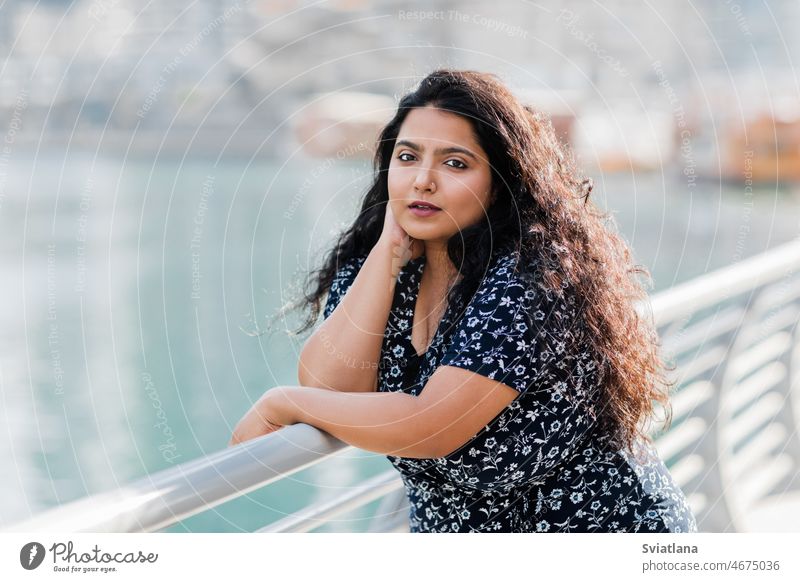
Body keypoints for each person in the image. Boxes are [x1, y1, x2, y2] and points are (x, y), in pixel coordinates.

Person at [229, 69, 698, 533]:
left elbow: (431, 425)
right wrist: (388, 255)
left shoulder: (531, 274)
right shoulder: (386, 259)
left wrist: (282, 403)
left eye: (455, 163)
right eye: (408, 157)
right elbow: (332, 386)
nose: (423, 181)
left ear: (501, 180)